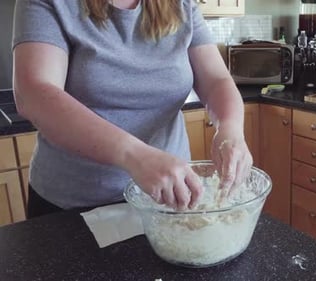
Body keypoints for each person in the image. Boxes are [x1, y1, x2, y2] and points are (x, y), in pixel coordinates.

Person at [12, 0, 253, 218]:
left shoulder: (181, 4)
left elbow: (216, 79)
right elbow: (34, 93)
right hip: (73, 207)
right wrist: (134, 155)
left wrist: (230, 130)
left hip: (171, 200)